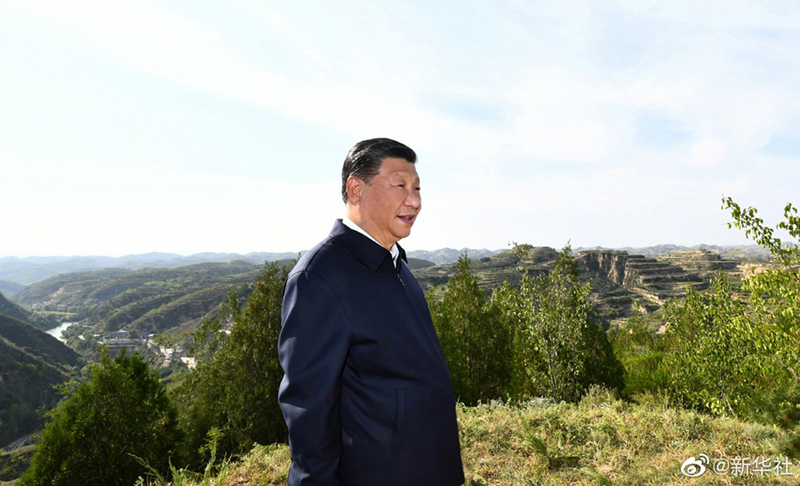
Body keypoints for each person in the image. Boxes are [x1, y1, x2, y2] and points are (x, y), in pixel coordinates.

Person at [278, 138, 465, 486]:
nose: (415, 200)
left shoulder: (397, 266)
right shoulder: (320, 276)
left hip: (430, 470)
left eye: (417, 188)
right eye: (400, 185)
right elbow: (308, 410)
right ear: (356, 189)